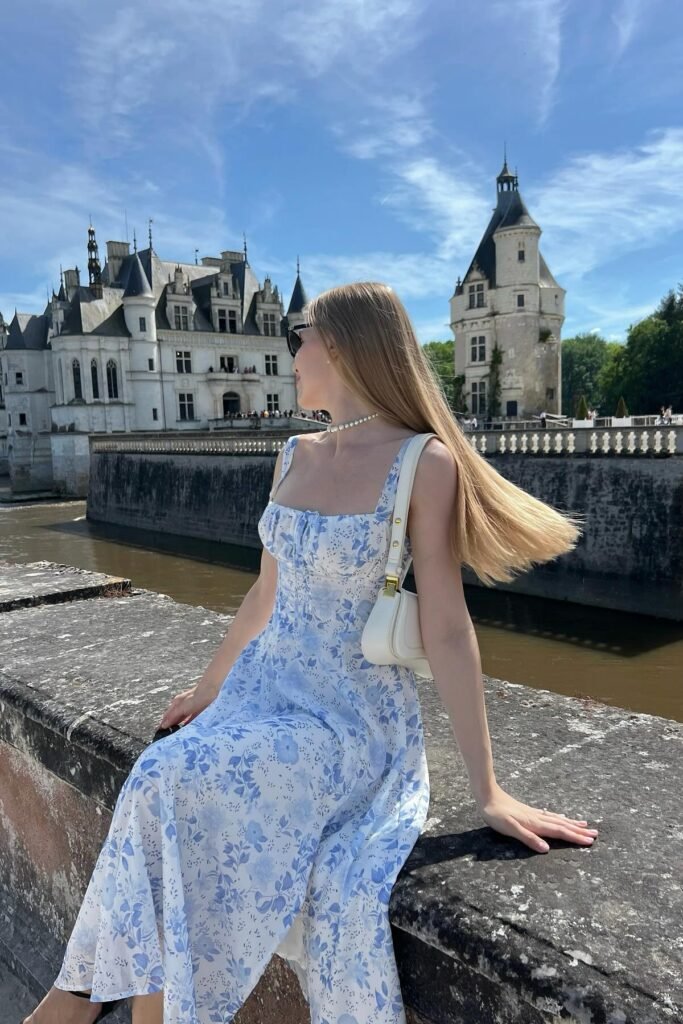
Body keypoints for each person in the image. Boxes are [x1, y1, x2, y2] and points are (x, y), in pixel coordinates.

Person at [24, 282, 598, 1024]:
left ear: (344, 345)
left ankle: (76, 1007)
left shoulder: (423, 464)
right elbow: (266, 592)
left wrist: (488, 791)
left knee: (170, 778)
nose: (292, 353)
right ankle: (108, 1006)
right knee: (158, 775)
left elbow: (449, 628)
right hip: (263, 691)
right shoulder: (292, 454)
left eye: (301, 337)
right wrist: (208, 688)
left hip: (347, 719)